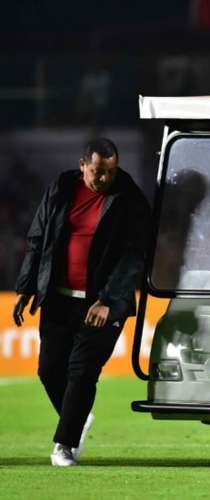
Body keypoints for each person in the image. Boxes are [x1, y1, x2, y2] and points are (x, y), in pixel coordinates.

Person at [12, 138, 150, 467]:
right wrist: (26, 286)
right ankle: (76, 418)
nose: (104, 179)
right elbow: (37, 238)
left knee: (82, 372)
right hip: (59, 300)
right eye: (98, 172)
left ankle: (64, 444)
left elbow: (133, 257)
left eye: (111, 172)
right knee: (48, 370)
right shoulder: (61, 188)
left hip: (102, 305)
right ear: (83, 166)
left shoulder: (129, 199)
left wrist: (107, 301)